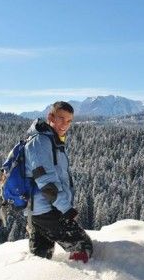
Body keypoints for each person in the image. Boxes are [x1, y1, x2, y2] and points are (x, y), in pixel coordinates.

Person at [24, 101, 93, 262]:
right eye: (61, 118)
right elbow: (46, 181)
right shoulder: (40, 142)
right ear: (51, 117)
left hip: (40, 209)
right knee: (82, 245)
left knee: (41, 256)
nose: (65, 124)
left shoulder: (52, 140)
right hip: (47, 209)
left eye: (69, 121)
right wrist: (66, 209)